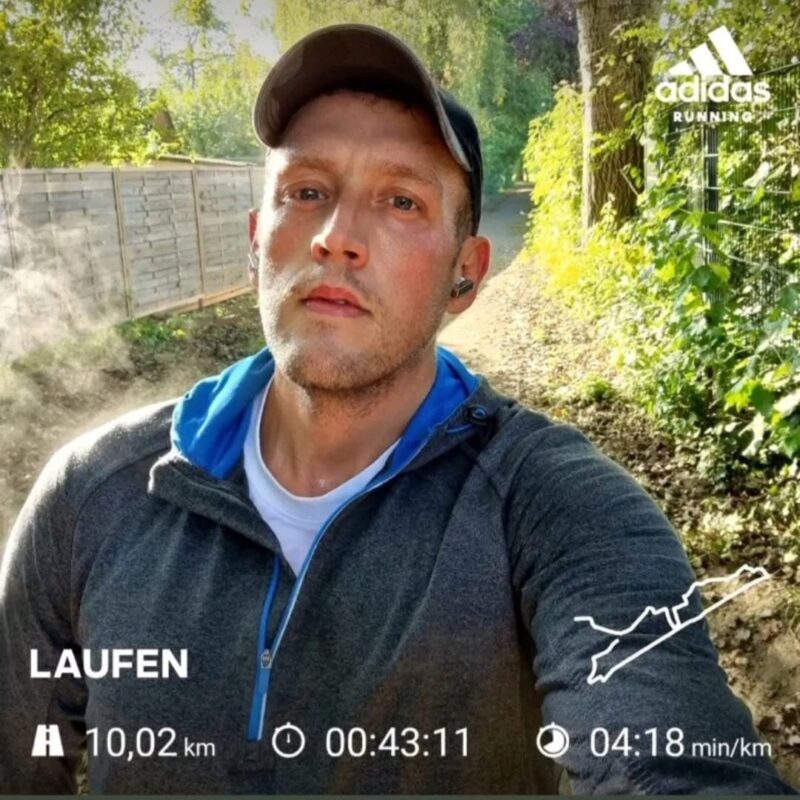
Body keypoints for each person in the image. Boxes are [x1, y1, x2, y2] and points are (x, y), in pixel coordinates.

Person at [0, 23, 794, 796]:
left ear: (465, 275)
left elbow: (667, 759)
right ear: (256, 240)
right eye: (307, 192)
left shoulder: (559, 508)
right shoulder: (89, 495)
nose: (337, 237)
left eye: (402, 201)